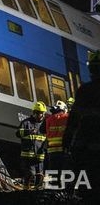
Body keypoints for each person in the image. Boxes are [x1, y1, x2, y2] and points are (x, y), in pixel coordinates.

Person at [63, 50, 100, 199]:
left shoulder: (84, 90)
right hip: (88, 148)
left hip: (85, 149)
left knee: (86, 189)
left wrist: (67, 139)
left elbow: (74, 119)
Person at [16, 101, 47, 189]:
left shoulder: (44, 124)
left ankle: (38, 194)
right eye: (39, 113)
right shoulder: (26, 123)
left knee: (40, 178)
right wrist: (28, 131)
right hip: (28, 157)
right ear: (34, 113)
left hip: (39, 157)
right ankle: (26, 192)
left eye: (41, 113)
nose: (41, 115)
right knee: (30, 175)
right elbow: (18, 133)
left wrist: (44, 151)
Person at [40, 100, 69, 182]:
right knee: (63, 171)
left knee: (51, 170)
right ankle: (62, 190)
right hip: (63, 150)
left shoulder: (48, 119)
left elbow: (42, 130)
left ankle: (50, 188)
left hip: (51, 151)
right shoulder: (67, 117)